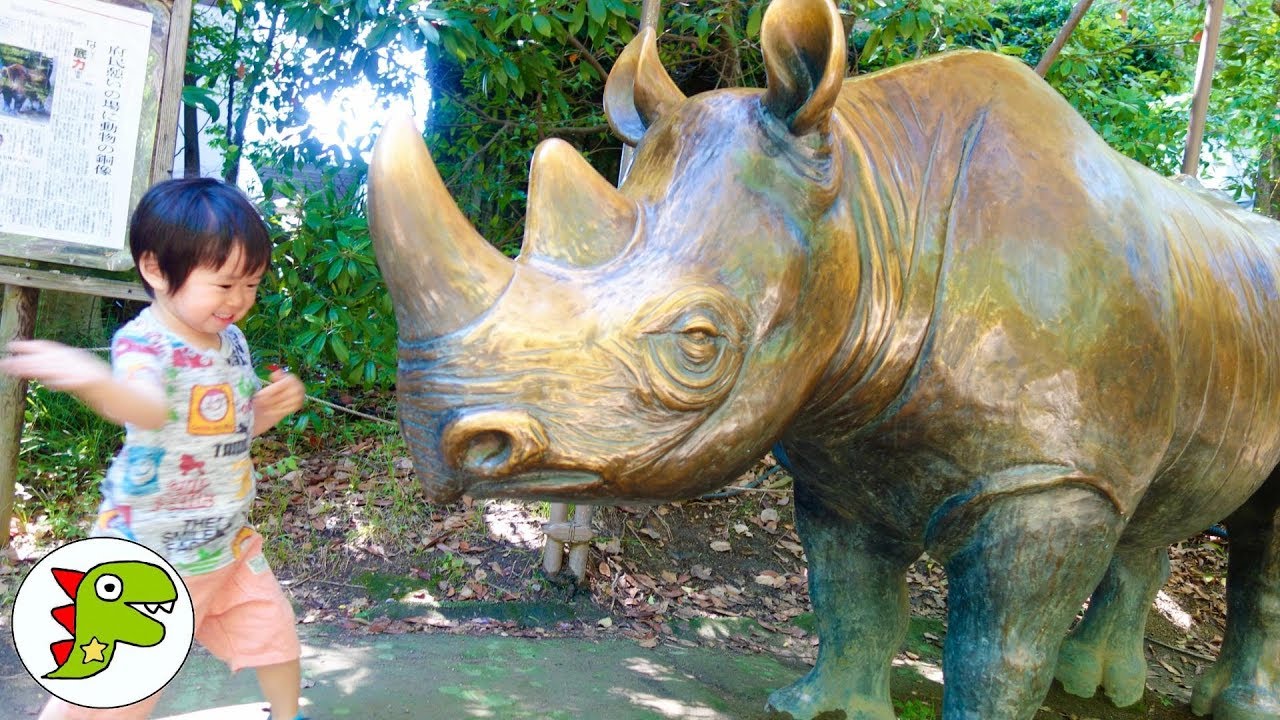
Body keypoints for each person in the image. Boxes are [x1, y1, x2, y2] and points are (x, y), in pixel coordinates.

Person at [0, 178, 308, 720]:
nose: (240, 300)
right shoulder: (145, 344)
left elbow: (226, 427)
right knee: (118, 690)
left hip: (227, 544)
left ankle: (289, 716)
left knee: (275, 635)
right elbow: (145, 410)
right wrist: (89, 378)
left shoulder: (231, 339)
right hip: (151, 553)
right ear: (157, 270)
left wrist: (265, 410)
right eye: (225, 284)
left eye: (252, 284)